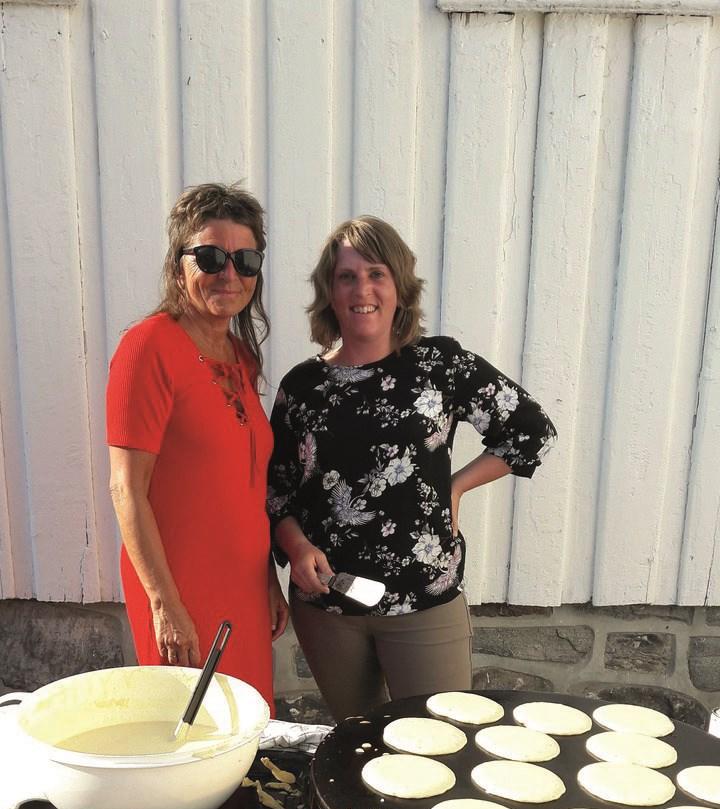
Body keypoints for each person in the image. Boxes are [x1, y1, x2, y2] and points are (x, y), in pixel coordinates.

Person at [267, 215, 556, 721]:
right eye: (347, 277)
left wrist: (458, 487)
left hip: (425, 599)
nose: (363, 289)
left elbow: (530, 428)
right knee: (356, 746)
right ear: (329, 293)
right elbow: (278, 492)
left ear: (400, 286)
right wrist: (296, 545)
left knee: (439, 747)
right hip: (329, 608)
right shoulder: (303, 387)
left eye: (377, 274)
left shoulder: (438, 366)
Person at [106, 182, 288, 713]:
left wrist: (267, 580)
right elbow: (126, 489)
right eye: (210, 256)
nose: (230, 274)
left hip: (243, 587)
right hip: (181, 587)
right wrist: (164, 604)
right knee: (192, 737)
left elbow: (245, 485)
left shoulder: (238, 355)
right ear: (178, 263)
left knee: (248, 724)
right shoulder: (148, 348)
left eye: (245, 259)